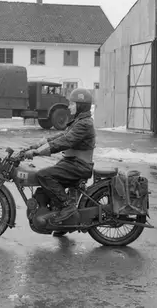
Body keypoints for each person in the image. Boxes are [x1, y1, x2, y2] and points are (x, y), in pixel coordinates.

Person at [25, 87, 96, 224]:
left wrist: (38, 152)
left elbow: (65, 141)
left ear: (80, 105)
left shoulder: (84, 124)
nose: (69, 107)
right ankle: (59, 221)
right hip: (72, 163)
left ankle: (67, 207)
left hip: (79, 165)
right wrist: (37, 145)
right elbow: (62, 136)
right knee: (45, 186)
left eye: (72, 103)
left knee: (44, 175)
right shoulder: (79, 121)